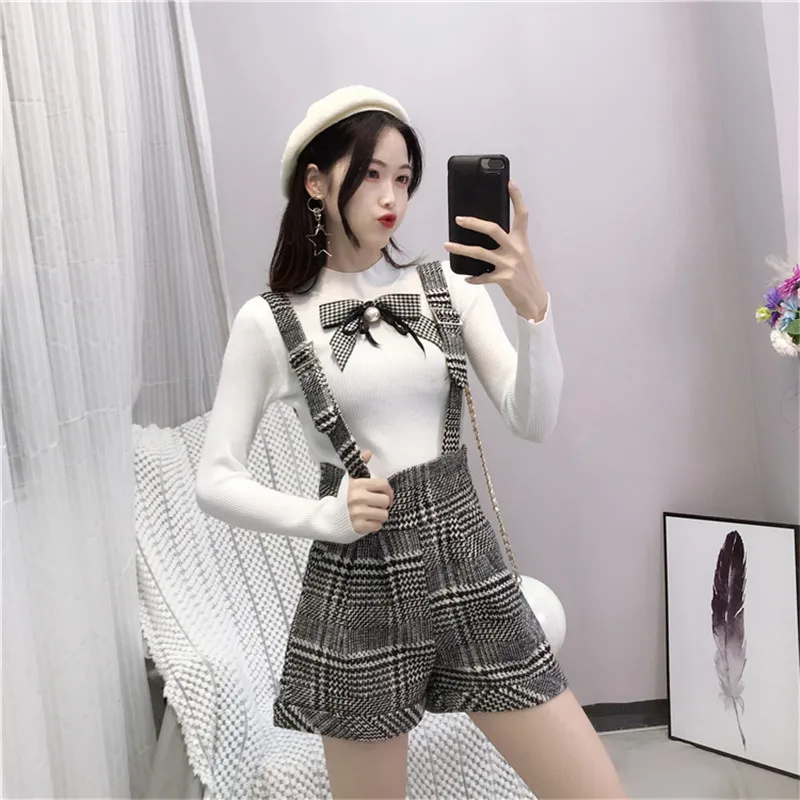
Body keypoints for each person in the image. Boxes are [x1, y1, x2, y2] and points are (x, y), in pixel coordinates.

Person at [196, 86, 626, 800]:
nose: (391, 196)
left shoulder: (447, 287)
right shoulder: (268, 321)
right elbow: (214, 478)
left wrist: (535, 311)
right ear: (315, 181)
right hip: (358, 582)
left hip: (468, 562)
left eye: (403, 178)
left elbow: (533, 420)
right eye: (371, 174)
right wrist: (324, 516)